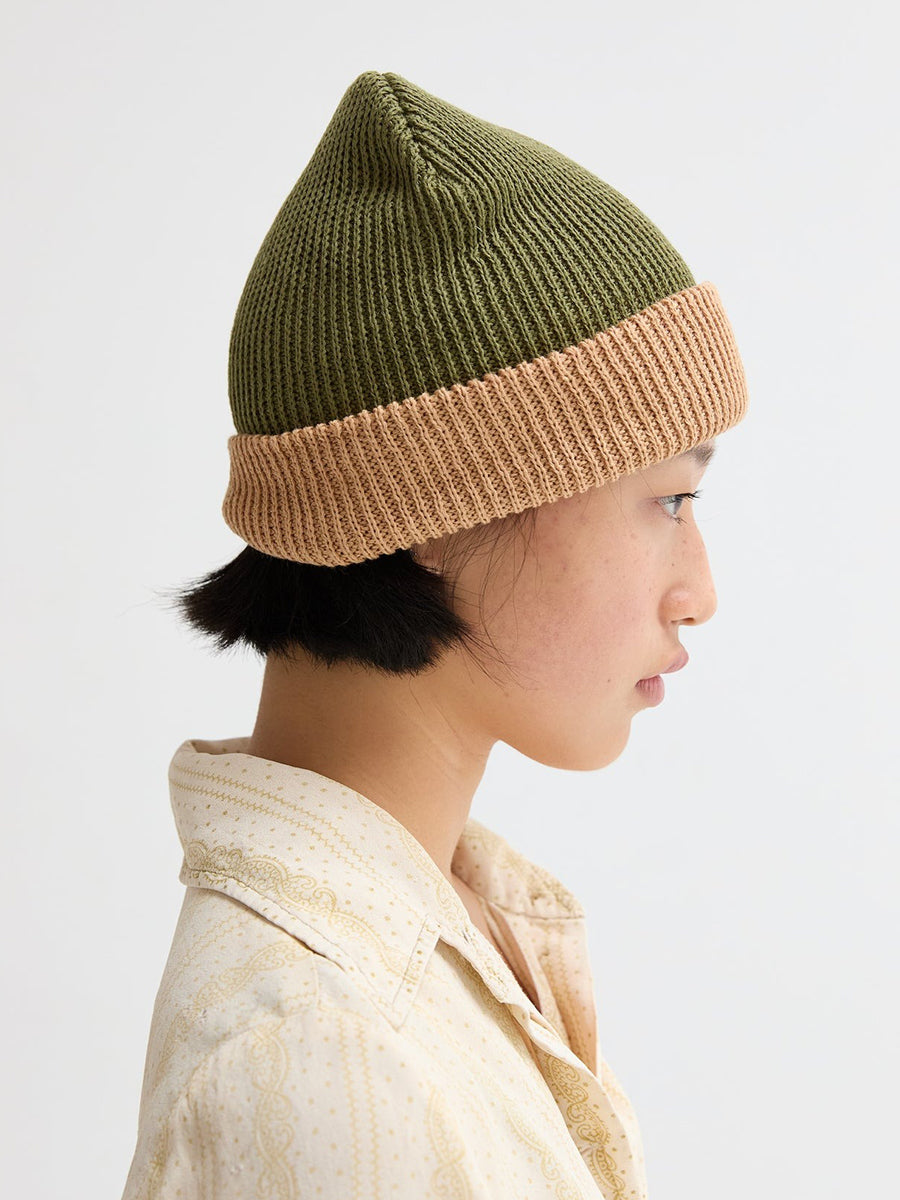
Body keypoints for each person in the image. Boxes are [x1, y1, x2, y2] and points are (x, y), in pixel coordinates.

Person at [121, 69, 749, 1199]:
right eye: (668, 500)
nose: (699, 591)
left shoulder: (426, 951)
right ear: (435, 509)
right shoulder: (323, 1050)